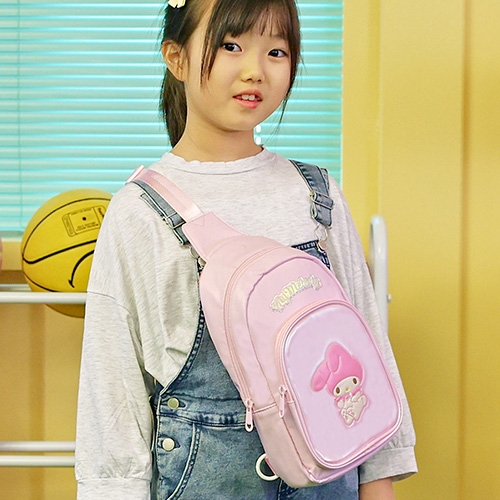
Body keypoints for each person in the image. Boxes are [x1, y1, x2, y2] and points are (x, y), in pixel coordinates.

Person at [75, 0, 417, 498]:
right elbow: (113, 386)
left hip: (331, 478)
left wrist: (380, 479)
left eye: (276, 51)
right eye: (231, 46)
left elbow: (367, 350)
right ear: (176, 58)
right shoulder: (140, 211)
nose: (255, 70)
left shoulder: (316, 194)